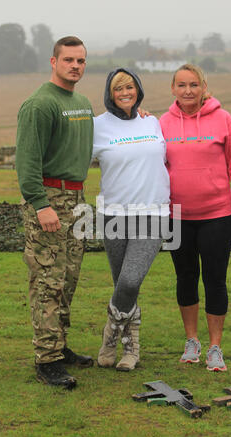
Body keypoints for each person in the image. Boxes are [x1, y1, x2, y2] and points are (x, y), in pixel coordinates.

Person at [160, 64, 231, 372]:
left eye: (194, 85)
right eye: (182, 85)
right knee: (185, 277)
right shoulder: (162, 123)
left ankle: (215, 347)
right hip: (176, 215)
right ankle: (192, 342)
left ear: (203, 87)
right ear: (173, 89)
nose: (188, 90)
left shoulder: (223, 119)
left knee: (215, 279)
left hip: (217, 214)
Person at [16, 36, 95, 389]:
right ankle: (46, 359)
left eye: (80, 61)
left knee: (68, 279)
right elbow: (27, 161)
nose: (75, 66)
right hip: (48, 199)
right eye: (68, 60)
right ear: (53, 61)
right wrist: (40, 203)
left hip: (76, 201)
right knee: (48, 280)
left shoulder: (81, 102)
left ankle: (60, 346)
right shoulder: (39, 104)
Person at [93, 68, 170, 371]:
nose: (125, 92)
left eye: (130, 87)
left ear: (138, 89)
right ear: (109, 94)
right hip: (113, 215)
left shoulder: (153, 122)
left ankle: (111, 335)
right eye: (118, 88)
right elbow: (73, 157)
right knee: (123, 287)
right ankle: (131, 349)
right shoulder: (97, 126)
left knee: (129, 279)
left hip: (154, 213)